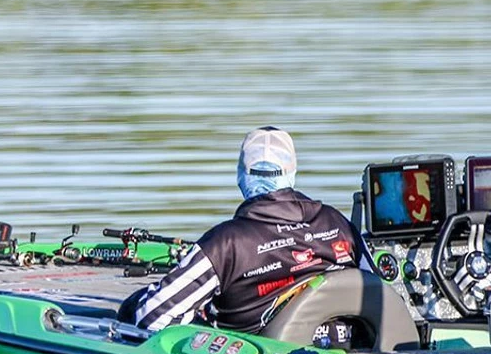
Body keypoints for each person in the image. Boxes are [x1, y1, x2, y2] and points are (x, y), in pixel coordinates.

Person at [127, 127, 363, 334]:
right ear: (292, 172)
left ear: (241, 174)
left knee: (131, 307)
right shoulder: (336, 221)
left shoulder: (225, 243)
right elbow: (378, 287)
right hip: (345, 348)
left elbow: (151, 317)